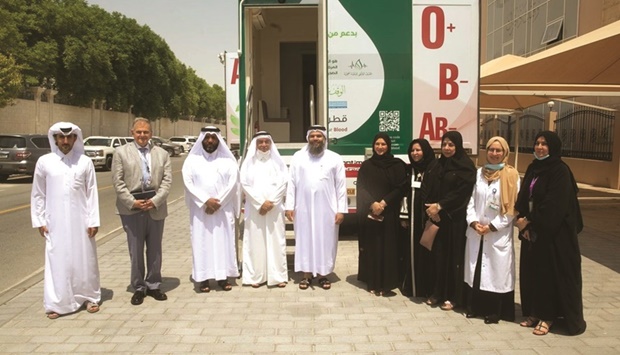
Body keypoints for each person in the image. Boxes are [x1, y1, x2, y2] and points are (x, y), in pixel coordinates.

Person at [514, 131, 586, 336]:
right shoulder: (533, 168)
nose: (539, 147)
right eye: (537, 143)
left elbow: (555, 205)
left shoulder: (560, 171)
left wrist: (530, 222)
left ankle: (549, 316)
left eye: (544, 144)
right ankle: (535, 311)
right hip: (533, 234)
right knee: (533, 274)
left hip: (555, 237)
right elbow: (523, 198)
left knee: (550, 276)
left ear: (553, 147)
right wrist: (524, 224)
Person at [31, 122, 101, 319]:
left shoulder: (85, 162)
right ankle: (57, 303)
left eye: (69, 137)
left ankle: (89, 297)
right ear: (55, 139)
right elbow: (38, 193)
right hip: (55, 222)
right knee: (57, 260)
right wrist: (39, 219)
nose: (65, 141)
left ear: (75, 139)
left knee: (84, 259)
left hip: (82, 221)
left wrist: (93, 220)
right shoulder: (45, 162)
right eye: (61, 137)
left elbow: (92, 193)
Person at [112, 117, 172, 305]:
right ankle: (139, 287)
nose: (142, 135)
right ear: (132, 133)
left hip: (155, 207)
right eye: (139, 132)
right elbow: (118, 182)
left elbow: (167, 181)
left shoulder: (162, 154)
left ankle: (153, 284)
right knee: (135, 250)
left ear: (151, 134)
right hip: (132, 210)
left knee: (155, 249)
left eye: (146, 132)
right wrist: (133, 202)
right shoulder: (121, 153)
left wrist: (155, 201)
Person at [464, 136, 520, 324]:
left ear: (505, 153)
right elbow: (471, 201)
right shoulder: (479, 173)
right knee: (477, 270)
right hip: (476, 232)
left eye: (499, 151)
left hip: (497, 234)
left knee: (495, 274)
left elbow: (512, 208)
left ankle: (494, 312)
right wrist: (473, 222)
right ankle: (474, 308)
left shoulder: (511, 176)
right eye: (491, 150)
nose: (494, 154)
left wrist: (492, 226)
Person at [285, 125, 348, 290]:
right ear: (308, 138)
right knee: (304, 239)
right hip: (303, 207)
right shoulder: (298, 157)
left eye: (319, 136)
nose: (315, 139)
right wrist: (289, 206)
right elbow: (291, 184)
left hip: (327, 209)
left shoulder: (335, 158)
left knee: (325, 240)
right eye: (312, 136)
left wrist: (341, 210)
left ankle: (322, 274)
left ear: (324, 139)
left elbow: (341, 186)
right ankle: (306, 275)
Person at [182, 126, 240, 292]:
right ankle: (203, 278)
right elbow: (188, 183)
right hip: (201, 212)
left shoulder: (228, 160)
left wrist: (217, 202)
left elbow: (232, 184)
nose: (209, 141)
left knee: (223, 242)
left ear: (218, 140)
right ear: (202, 139)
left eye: (213, 138)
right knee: (202, 243)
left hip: (222, 210)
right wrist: (205, 201)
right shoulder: (192, 160)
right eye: (207, 137)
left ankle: (223, 278)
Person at [423, 131, 476, 311]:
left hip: (455, 221)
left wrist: (441, 206)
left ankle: (453, 296)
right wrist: (432, 210)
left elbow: (462, 193)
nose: (447, 148)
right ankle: (437, 292)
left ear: (458, 146)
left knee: (454, 259)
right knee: (438, 258)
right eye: (444, 144)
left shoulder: (466, 167)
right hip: (437, 219)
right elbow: (427, 187)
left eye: (451, 145)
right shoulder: (436, 165)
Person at [356, 133, 407, 296]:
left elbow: (401, 187)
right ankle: (372, 282)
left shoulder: (397, 165)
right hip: (372, 213)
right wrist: (373, 204)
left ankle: (387, 283)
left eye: (383, 144)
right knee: (373, 247)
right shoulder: (366, 166)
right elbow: (361, 187)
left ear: (389, 146)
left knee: (389, 248)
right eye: (377, 144)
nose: (380, 147)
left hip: (389, 213)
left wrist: (384, 203)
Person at [240, 131, 289, 288]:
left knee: (276, 241)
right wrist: (260, 203)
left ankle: (277, 276)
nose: (263, 145)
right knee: (255, 242)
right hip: (255, 209)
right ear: (255, 144)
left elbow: (284, 183)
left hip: (274, 209)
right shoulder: (249, 163)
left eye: (266, 142)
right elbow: (244, 184)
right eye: (260, 142)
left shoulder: (278, 162)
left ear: (270, 144)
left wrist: (271, 202)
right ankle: (256, 276)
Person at [399, 138, 437, 298]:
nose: (415, 153)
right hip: (413, 220)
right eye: (413, 150)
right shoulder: (409, 170)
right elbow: (404, 195)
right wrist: (404, 216)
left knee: (429, 254)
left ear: (426, 151)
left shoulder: (434, 168)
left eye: (418, 150)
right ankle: (413, 287)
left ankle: (430, 289)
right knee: (413, 252)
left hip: (429, 219)